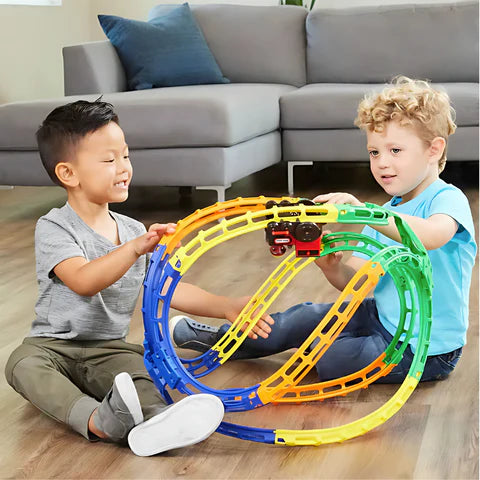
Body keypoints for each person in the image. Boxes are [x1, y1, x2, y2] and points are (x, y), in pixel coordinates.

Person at [4, 100, 274, 456]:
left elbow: (165, 289)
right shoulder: (54, 227)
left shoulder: (131, 231)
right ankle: (98, 421)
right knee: (22, 365)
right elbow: (83, 280)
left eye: (126, 156)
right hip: (54, 345)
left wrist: (223, 306)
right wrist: (133, 249)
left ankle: (157, 422)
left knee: (140, 369)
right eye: (109, 160)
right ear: (68, 174)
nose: (124, 168)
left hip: (109, 348)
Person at [171, 76, 477, 383]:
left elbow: (431, 236)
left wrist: (368, 213)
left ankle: (319, 350)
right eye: (374, 153)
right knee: (304, 317)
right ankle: (225, 340)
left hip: (426, 349)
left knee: (332, 359)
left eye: (395, 151)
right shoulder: (385, 213)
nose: (382, 163)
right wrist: (332, 269)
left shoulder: (446, 199)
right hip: (383, 318)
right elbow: (356, 282)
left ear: (434, 150)